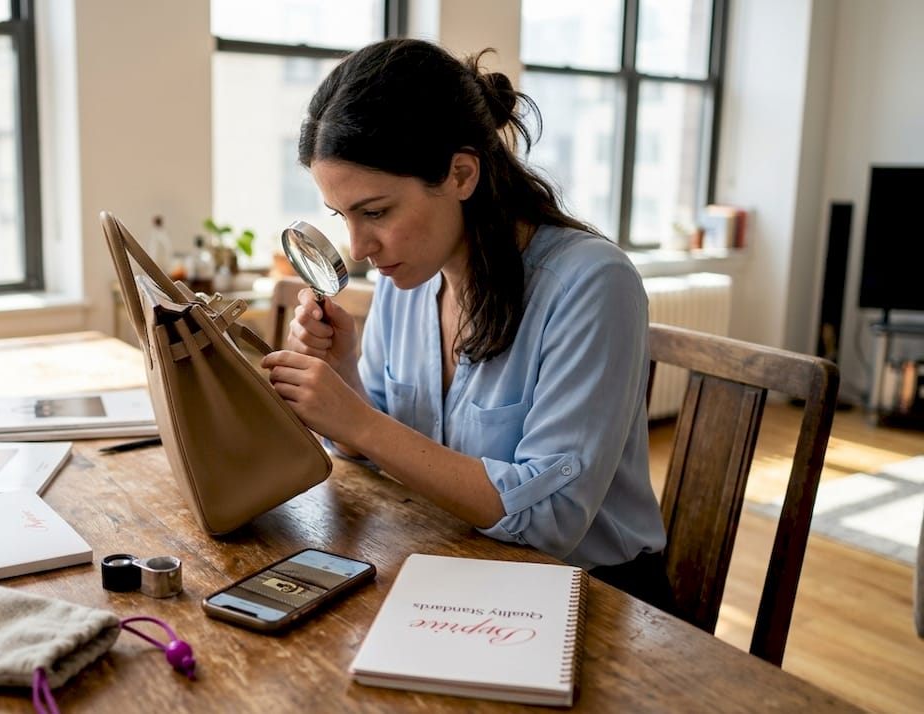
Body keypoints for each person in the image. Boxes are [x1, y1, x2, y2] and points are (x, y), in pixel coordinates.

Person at [260, 38, 675, 611]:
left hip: (595, 597)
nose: (357, 247)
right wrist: (344, 375)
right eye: (343, 216)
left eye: (376, 212)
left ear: (460, 174)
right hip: (457, 565)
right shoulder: (407, 277)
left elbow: (547, 522)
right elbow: (378, 452)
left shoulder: (592, 284)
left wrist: (357, 421)